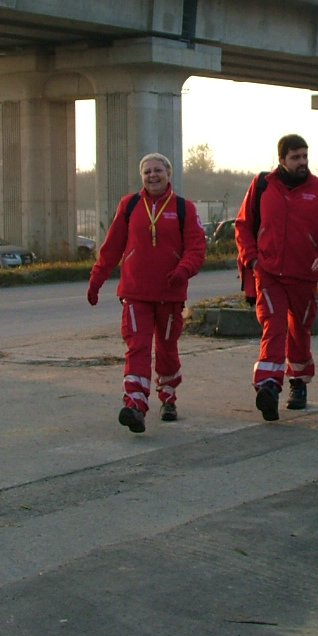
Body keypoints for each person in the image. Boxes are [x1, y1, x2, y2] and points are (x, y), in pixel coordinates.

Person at [87, 153, 206, 433]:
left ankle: (168, 396)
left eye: (158, 170)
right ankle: (135, 404)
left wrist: (183, 270)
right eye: (147, 172)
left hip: (170, 294)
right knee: (137, 347)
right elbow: (112, 247)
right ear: (141, 177)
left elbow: (196, 248)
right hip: (135, 293)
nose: (153, 176)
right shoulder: (129, 205)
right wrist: (96, 279)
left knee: (166, 350)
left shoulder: (183, 208)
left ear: (169, 174)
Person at [234, 134, 318, 421]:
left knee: (299, 330)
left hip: (305, 275)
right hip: (269, 273)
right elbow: (243, 225)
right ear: (282, 159)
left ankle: (298, 382)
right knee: (274, 327)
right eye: (295, 157)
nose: (302, 162)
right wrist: (252, 258)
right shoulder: (263, 186)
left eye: (305, 156)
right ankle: (269, 386)